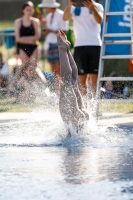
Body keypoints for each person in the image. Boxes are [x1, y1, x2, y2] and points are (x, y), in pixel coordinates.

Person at [63, 0, 104, 97]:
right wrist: (69, 5)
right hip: (79, 46)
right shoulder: (74, 7)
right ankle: (84, 107)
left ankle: (95, 107)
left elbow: (100, 21)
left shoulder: (97, 6)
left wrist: (93, 9)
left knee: (95, 78)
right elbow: (65, 18)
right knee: (82, 78)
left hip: (95, 44)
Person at [57, 30, 89, 134]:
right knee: (73, 81)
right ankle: (65, 50)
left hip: (75, 118)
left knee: (70, 81)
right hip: (79, 118)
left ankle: (63, 50)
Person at [38, 0, 68, 92]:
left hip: (58, 44)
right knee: (54, 71)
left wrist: (50, 30)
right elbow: (49, 32)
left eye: (45, 6)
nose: (44, 8)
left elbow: (65, 31)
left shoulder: (61, 15)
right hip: (50, 44)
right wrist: (45, 26)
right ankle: (57, 91)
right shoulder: (49, 16)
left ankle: (63, 91)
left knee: (60, 70)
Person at [15, 1, 40, 68]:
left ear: (33, 10)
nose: (29, 12)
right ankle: (15, 78)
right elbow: (17, 39)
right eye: (27, 10)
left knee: (33, 68)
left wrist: (23, 39)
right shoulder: (18, 22)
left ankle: (43, 79)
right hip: (23, 48)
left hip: (34, 48)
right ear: (23, 10)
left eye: (31, 10)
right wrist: (31, 40)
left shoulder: (35, 21)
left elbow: (37, 37)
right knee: (24, 68)